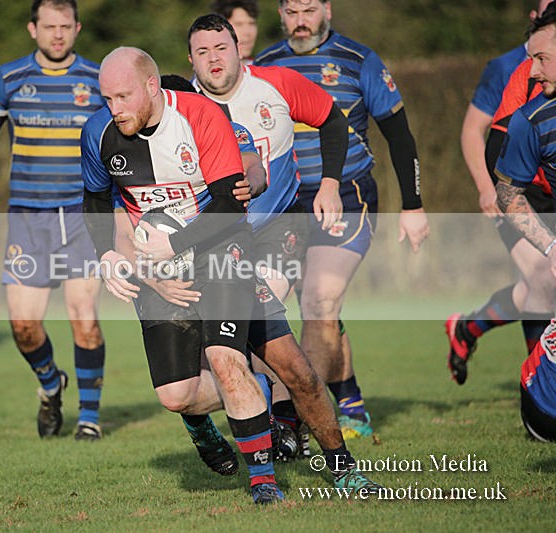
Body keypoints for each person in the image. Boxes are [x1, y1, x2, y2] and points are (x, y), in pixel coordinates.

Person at [111, 71, 381, 493]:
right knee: (180, 393)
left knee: (296, 373)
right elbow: (120, 230)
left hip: (229, 268)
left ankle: (343, 468)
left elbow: (254, 171)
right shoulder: (131, 158)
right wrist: (149, 276)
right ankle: (210, 423)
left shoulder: (220, 126)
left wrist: (244, 187)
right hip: (170, 281)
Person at [83, 45, 286, 504]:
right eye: (107, 98)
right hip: (159, 267)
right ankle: (245, 399)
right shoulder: (97, 133)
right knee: (176, 395)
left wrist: (173, 244)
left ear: (151, 86)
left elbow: (232, 205)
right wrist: (107, 257)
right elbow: (95, 199)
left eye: (123, 97)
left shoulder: (201, 117)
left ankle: (264, 482)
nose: (114, 109)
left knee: (225, 360)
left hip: (220, 252)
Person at [255, 0, 429, 439]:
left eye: (309, 9)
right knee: (301, 310)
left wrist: (413, 205)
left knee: (319, 301)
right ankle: (348, 400)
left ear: (327, 9)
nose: (300, 21)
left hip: (347, 196)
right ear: (280, 14)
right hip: (286, 203)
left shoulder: (358, 60)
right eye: (291, 12)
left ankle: (292, 419)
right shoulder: (264, 66)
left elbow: (399, 135)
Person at [0, 0, 106, 441]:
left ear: (78, 28)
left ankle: (89, 418)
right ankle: (51, 384)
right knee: (24, 327)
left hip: (82, 217)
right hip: (27, 218)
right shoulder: (8, 79)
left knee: (84, 316)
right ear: (33, 29)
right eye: (49, 27)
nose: (58, 35)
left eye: (66, 27)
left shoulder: (98, 80)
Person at [446, 0, 554, 386]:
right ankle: (540, 392)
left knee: (536, 286)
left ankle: (467, 328)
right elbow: (479, 134)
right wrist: (486, 189)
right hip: (520, 190)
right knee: (543, 278)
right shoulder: (511, 69)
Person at [494, 5, 556, 442]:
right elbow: (508, 193)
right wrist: (552, 248)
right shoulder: (530, 121)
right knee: (545, 417)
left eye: (541, 59)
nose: (532, 73)